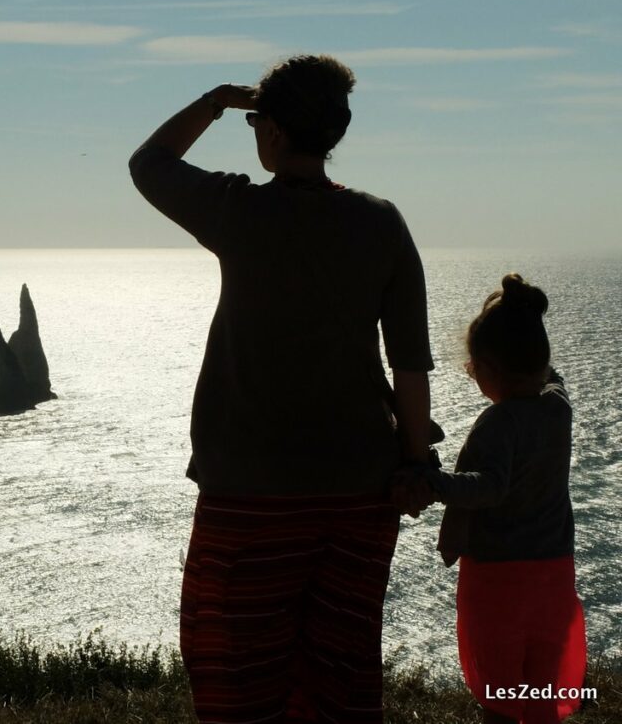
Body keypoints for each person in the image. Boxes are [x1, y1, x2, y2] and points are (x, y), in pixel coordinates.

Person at [129, 54, 434, 723]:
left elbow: (148, 163)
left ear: (268, 130)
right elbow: (410, 365)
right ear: (335, 131)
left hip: (248, 496)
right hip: (358, 494)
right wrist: (417, 461)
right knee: (340, 682)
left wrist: (214, 101)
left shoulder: (237, 211)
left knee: (238, 683)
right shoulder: (381, 222)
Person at [418, 274, 586, 724]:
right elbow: (553, 376)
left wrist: (436, 483)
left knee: (501, 695)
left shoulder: (499, 422)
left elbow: (488, 486)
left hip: (500, 577)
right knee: (541, 686)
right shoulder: (558, 408)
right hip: (553, 571)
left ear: (487, 368)